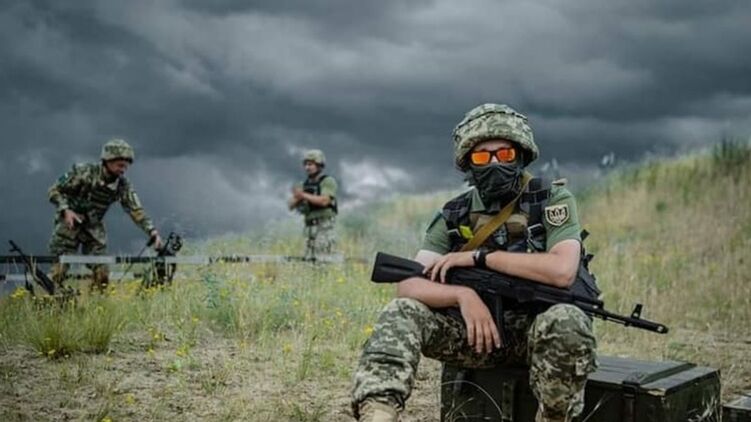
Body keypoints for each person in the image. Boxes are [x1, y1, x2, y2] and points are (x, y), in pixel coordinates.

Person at [351, 104, 597, 422]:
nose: (494, 163)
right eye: (482, 157)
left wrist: (481, 257)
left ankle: (553, 417)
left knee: (568, 320)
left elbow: (562, 271)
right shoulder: (455, 213)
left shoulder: (551, 200)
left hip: (536, 336)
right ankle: (378, 413)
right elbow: (409, 284)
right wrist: (461, 296)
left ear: (521, 155)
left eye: (504, 154)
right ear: (468, 162)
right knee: (402, 311)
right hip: (477, 336)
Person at [48, 139, 162, 291]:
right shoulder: (84, 172)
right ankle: (53, 301)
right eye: (120, 165)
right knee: (58, 273)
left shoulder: (122, 186)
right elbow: (54, 190)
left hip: (93, 228)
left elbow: (135, 210)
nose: (123, 170)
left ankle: (96, 301)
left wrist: (152, 231)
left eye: (126, 166)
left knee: (102, 274)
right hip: (69, 225)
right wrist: (66, 210)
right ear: (108, 161)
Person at [288, 149, 338, 260]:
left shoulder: (327, 181)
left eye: (310, 164)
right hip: (309, 227)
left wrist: (303, 195)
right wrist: (298, 197)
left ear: (319, 165)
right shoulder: (303, 185)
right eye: (306, 164)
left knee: (323, 259)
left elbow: (325, 201)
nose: (307, 167)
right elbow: (290, 205)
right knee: (308, 260)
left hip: (324, 226)